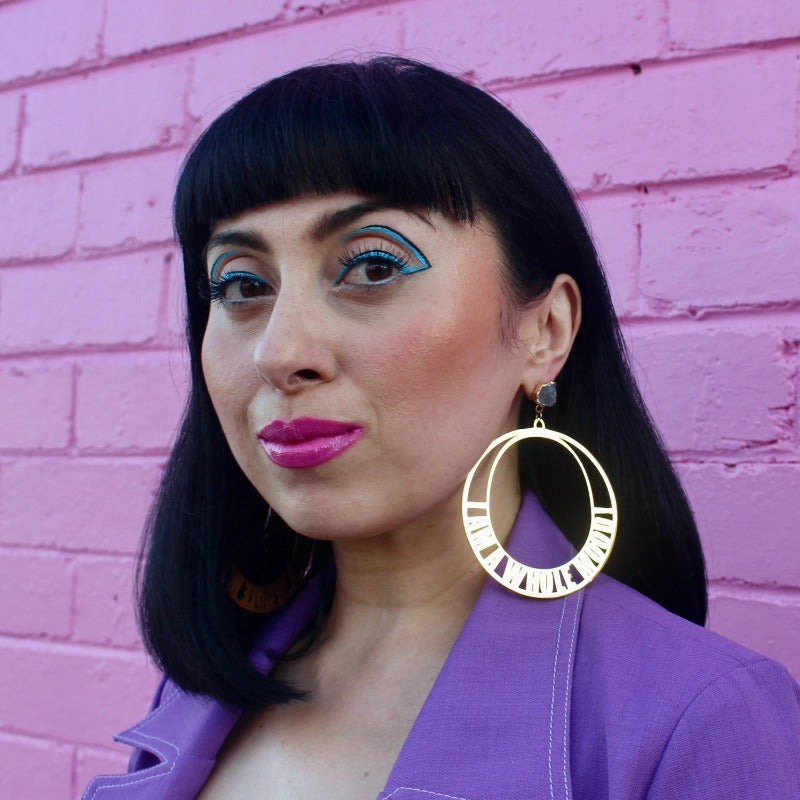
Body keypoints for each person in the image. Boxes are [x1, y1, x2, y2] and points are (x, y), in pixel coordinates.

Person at [82, 57, 800, 799]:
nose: (281, 352)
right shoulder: (199, 693)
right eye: (240, 285)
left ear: (545, 330)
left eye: (370, 267)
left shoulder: (700, 722)